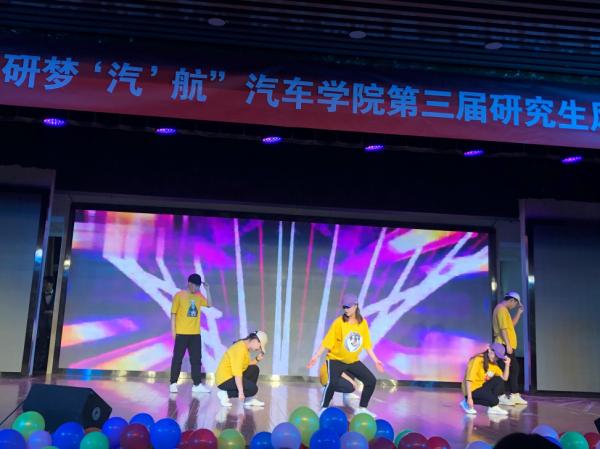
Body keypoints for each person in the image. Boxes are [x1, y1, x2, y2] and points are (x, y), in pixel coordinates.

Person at [307, 294, 384, 417]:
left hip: (352, 361)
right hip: (335, 360)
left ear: (355, 306)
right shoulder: (339, 322)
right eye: (344, 307)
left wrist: (376, 360)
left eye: (348, 307)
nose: (346, 309)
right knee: (332, 382)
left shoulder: (362, 323)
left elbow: (367, 344)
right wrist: (316, 356)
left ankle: (362, 408)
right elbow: (327, 342)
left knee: (371, 380)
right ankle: (324, 408)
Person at [169, 273, 211, 394]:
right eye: (195, 286)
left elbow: (209, 304)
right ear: (189, 284)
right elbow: (173, 314)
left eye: (198, 286)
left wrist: (207, 290)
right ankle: (173, 383)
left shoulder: (198, 297)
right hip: (181, 334)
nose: (196, 288)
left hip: (195, 334)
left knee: (196, 360)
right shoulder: (179, 295)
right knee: (177, 359)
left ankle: (197, 385)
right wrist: (173, 332)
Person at [215, 331, 268, 408]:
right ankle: (225, 394)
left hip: (231, 376)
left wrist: (257, 359)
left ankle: (249, 399)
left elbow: (246, 365)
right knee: (253, 389)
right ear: (255, 340)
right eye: (260, 346)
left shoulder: (244, 347)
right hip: (224, 380)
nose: (259, 349)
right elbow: (237, 373)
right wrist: (241, 392)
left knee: (254, 369)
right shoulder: (240, 349)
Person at [492, 291, 527, 406]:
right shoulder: (501, 309)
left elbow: (510, 325)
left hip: (505, 345)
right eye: (515, 304)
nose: (514, 306)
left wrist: (519, 313)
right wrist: (507, 344)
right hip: (503, 345)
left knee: (513, 369)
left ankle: (514, 395)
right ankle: (501, 395)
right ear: (512, 300)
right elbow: (503, 329)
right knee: (506, 370)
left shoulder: (503, 310)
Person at [461, 343, 511, 415]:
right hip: (472, 389)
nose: (495, 358)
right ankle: (466, 402)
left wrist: (507, 365)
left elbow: (504, 378)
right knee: (495, 401)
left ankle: (493, 407)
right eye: (495, 355)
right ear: (489, 350)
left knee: (499, 380)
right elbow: (469, 379)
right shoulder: (477, 360)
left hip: (481, 387)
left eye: (498, 357)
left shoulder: (494, 365)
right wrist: (469, 398)